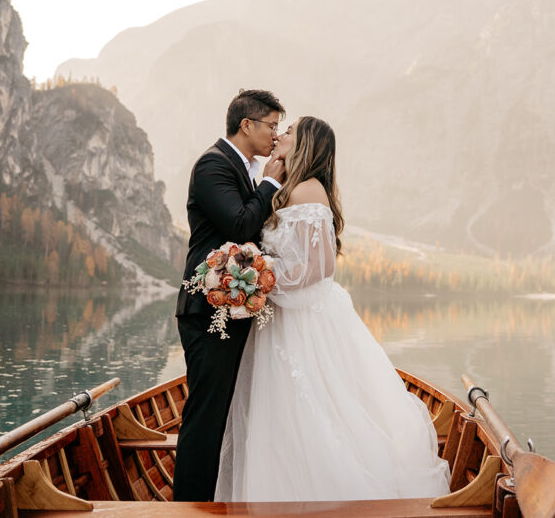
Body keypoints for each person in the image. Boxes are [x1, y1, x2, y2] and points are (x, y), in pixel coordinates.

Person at [215, 117, 451, 501]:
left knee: (310, 410)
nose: (280, 135)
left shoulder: (309, 190)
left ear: (305, 144)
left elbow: (320, 266)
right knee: (277, 416)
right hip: (280, 316)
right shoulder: (287, 188)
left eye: (288, 131)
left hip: (303, 320)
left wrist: (264, 278)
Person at [173, 89, 287, 502]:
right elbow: (239, 226)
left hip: (230, 308)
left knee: (220, 411)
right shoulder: (213, 165)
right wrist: (272, 183)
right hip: (207, 309)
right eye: (271, 125)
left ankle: (211, 497)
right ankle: (188, 506)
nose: (275, 135)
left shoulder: (238, 169)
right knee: (205, 416)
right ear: (247, 125)